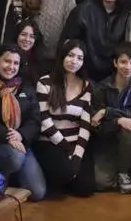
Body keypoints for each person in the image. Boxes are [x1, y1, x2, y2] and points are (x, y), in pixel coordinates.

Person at [0, 45, 47, 200]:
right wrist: (9, 135)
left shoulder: (26, 87)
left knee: (37, 192)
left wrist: (20, 135)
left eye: (15, 63)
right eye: (7, 61)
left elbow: (35, 120)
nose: (11, 67)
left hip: (21, 142)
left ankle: (10, 177)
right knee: (15, 158)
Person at [34, 39, 96, 197]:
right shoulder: (45, 82)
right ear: (62, 56)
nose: (74, 61)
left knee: (86, 188)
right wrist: (67, 148)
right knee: (65, 173)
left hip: (75, 142)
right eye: (70, 55)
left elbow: (85, 125)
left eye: (79, 58)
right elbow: (44, 122)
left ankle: (66, 178)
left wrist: (77, 155)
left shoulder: (86, 85)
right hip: (50, 141)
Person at [91, 42, 131, 194]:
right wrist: (118, 120)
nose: (128, 67)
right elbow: (96, 124)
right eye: (123, 62)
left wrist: (107, 112)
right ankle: (123, 164)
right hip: (108, 137)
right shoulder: (102, 87)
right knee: (101, 183)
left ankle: (123, 173)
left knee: (130, 127)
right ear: (115, 63)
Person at [61, 0, 131, 82]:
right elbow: (68, 44)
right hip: (85, 74)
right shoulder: (82, 11)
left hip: (116, 75)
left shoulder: (128, 13)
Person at [16, 19, 46, 83]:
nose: (27, 39)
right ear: (17, 35)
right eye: (23, 34)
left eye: (32, 36)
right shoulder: (7, 54)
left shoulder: (39, 59)